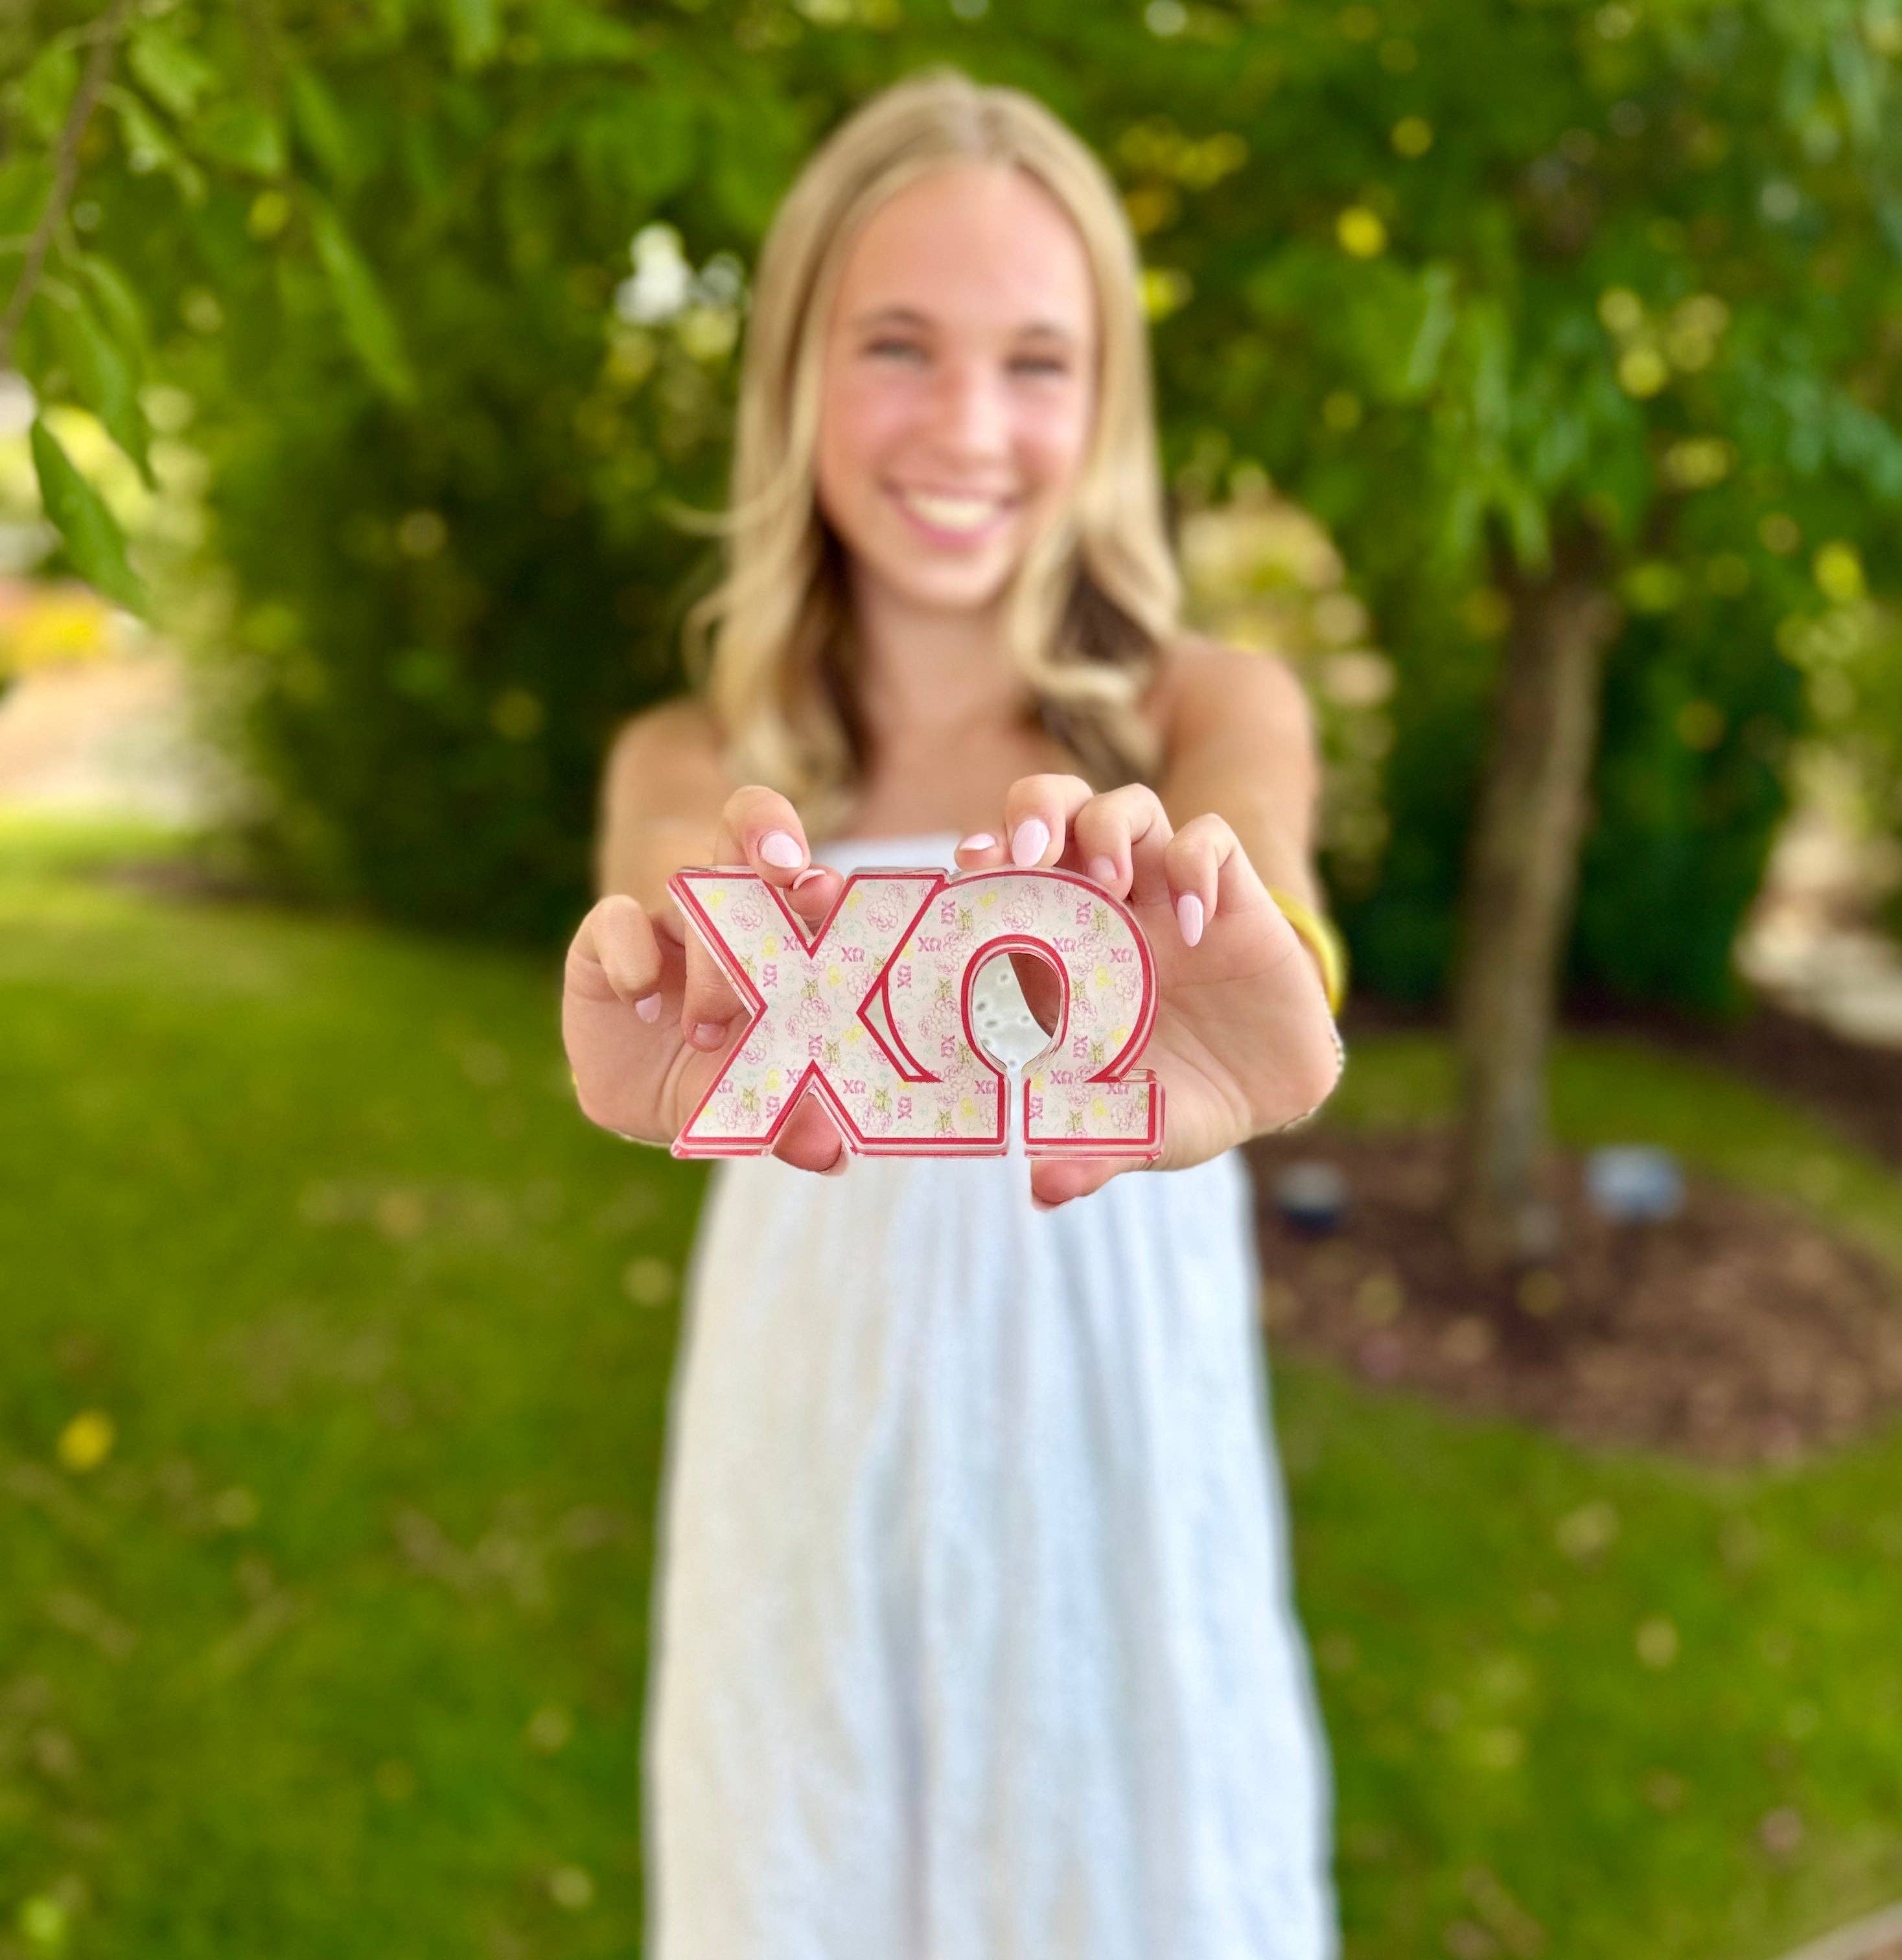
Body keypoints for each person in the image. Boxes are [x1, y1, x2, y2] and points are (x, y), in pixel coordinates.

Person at [561, 66, 1349, 1960]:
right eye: (899, 346)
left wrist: (1267, 980)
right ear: (796, 376)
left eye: (1038, 361)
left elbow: (1263, 881)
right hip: (808, 1409)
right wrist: (668, 977)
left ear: (1107, 403)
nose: (970, 426)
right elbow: (673, 908)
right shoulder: (690, 753)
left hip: (1114, 1407)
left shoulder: (1205, 708)